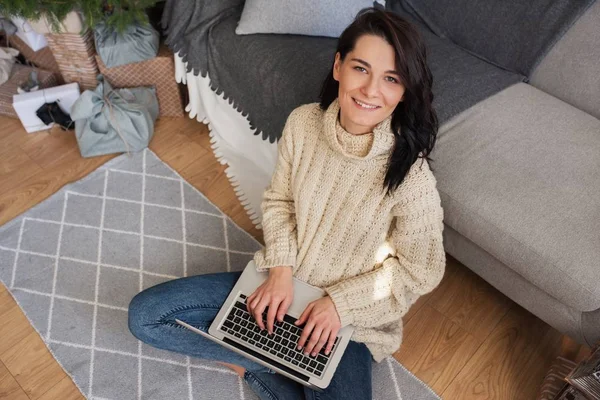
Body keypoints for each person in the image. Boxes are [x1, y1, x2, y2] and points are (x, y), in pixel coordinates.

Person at [128, 7, 446, 400]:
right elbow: (280, 200)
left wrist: (339, 305)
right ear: (338, 67)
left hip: (348, 322)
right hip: (281, 284)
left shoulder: (411, 178)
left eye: (391, 78)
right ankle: (262, 358)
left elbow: (421, 271)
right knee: (147, 317)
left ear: (403, 91)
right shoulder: (303, 124)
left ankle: (256, 360)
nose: (370, 90)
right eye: (360, 68)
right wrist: (280, 270)